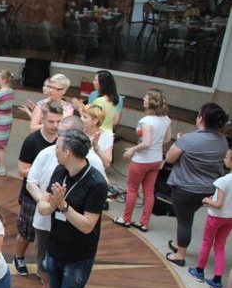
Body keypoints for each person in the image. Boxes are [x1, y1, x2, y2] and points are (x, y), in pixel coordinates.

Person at [26, 115, 106, 288]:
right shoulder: (60, 171)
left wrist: (62, 206)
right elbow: (43, 207)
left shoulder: (95, 180)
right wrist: (53, 203)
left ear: (68, 151)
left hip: (78, 254)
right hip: (56, 246)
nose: (55, 146)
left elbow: (88, 225)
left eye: (60, 140)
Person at [165, 103, 229, 267]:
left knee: (184, 221)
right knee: (187, 218)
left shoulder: (189, 139)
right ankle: (180, 243)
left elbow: (170, 158)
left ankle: (180, 254)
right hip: (209, 189)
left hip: (185, 188)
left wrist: (182, 141)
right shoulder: (222, 141)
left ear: (201, 118)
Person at [12, 101, 63, 276]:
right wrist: (42, 172)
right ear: (43, 119)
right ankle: (19, 257)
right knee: (26, 231)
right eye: (51, 122)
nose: (55, 126)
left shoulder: (63, 141)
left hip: (53, 194)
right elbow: (21, 170)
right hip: (31, 194)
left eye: (58, 122)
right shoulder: (32, 141)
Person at [117, 89, 172, 232]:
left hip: (142, 160)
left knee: (132, 190)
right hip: (156, 160)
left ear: (151, 101)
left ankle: (126, 219)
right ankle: (144, 223)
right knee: (148, 192)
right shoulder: (166, 119)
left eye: (146, 97)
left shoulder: (146, 121)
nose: (143, 99)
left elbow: (146, 143)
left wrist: (132, 150)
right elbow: (167, 139)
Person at [187, 148, 232, 288]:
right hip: (229, 218)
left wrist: (207, 200)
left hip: (215, 217)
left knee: (207, 242)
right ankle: (217, 280)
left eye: (226, 157)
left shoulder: (223, 181)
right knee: (220, 245)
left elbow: (218, 203)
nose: (224, 160)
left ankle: (199, 271)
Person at [73, 70, 123, 134]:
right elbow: (89, 112)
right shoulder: (94, 94)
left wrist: (79, 107)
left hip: (96, 131)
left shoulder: (100, 100)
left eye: (95, 80)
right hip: (105, 131)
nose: (93, 82)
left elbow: (88, 116)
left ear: (102, 84)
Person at [0, 69, 15, 175]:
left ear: (4, 80)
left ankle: (2, 168)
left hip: (0, 119)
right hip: (8, 118)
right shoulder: (11, 91)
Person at [82, 104, 113, 169]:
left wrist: (96, 146)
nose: (81, 118)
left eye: (85, 117)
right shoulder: (78, 132)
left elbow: (107, 163)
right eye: (81, 116)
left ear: (95, 121)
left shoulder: (107, 136)